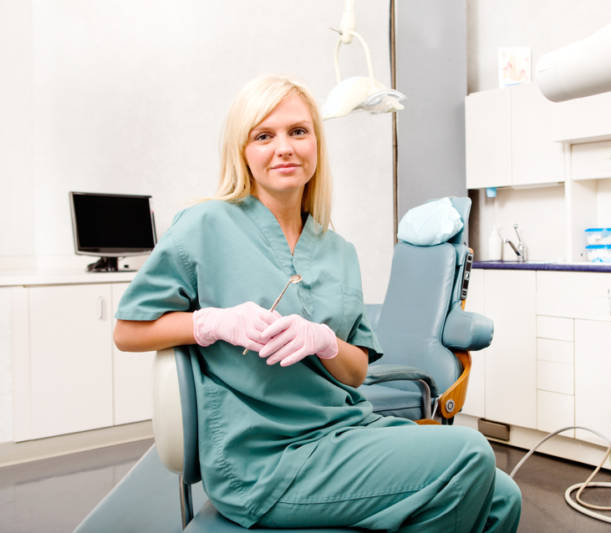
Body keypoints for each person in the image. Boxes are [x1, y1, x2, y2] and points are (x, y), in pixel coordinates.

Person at [114, 74, 522, 532]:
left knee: (502, 497)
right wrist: (211, 324)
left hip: (345, 431)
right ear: (242, 151)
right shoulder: (204, 225)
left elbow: (357, 372)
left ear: (316, 145)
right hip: (268, 459)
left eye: (298, 131)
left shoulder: (338, 250)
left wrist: (326, 342)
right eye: (264, 136)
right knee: (469, 451)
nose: (284, 148)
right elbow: (128, 331)